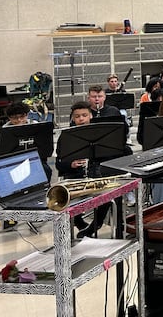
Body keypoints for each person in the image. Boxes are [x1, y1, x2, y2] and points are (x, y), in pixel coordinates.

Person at [55, 101, 129, 238]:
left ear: (90, 116)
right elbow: (59, 164)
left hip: (97, 175)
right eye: (77, 116)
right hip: (75, 177)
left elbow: (122, 151)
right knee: (69, 192)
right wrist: (70, 164)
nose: (81, 119)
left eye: (84, 115)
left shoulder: (101, 133)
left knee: (110, 188)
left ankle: (97, 224)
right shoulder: (66, 136)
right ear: (73, 118)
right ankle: (77, 220)